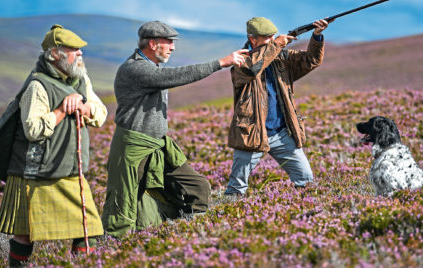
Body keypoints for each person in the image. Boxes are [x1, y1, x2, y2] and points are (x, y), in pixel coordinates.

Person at [102, 20, 248, 238]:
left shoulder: (151, 68)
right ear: (152, 44)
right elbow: (174, 76)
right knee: (123, 204)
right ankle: (110, 249)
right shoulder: (134, 69)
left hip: (158, 145)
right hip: (134, 147)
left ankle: (185, 236)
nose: (173, 47)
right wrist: (221, 62)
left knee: (197, 188)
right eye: (168, 42)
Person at [0, 25, 107, 266]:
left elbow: (100, 115)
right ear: (55, 54)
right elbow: (33, 130)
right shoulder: (37, 86)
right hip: (33, 172)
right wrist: (60, 110)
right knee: (25, 234)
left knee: (88, 229)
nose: (80, 54)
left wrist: (82, 105)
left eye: (80, 49)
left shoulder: (81, 81)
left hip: (69, 170)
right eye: (73, 49)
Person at [225, 16, 327, 196]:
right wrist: (277, 45)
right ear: (252, 39)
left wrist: (317, 36)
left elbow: (311, 60)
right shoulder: (240, 61)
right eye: (266, 37)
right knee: (237, 187)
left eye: (273, 36)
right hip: (252, 133)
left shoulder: (280, 57)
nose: (272, 40)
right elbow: (252, 69)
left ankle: (300, 215)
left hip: (281, 132)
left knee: (305, 179)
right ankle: (227, 219)